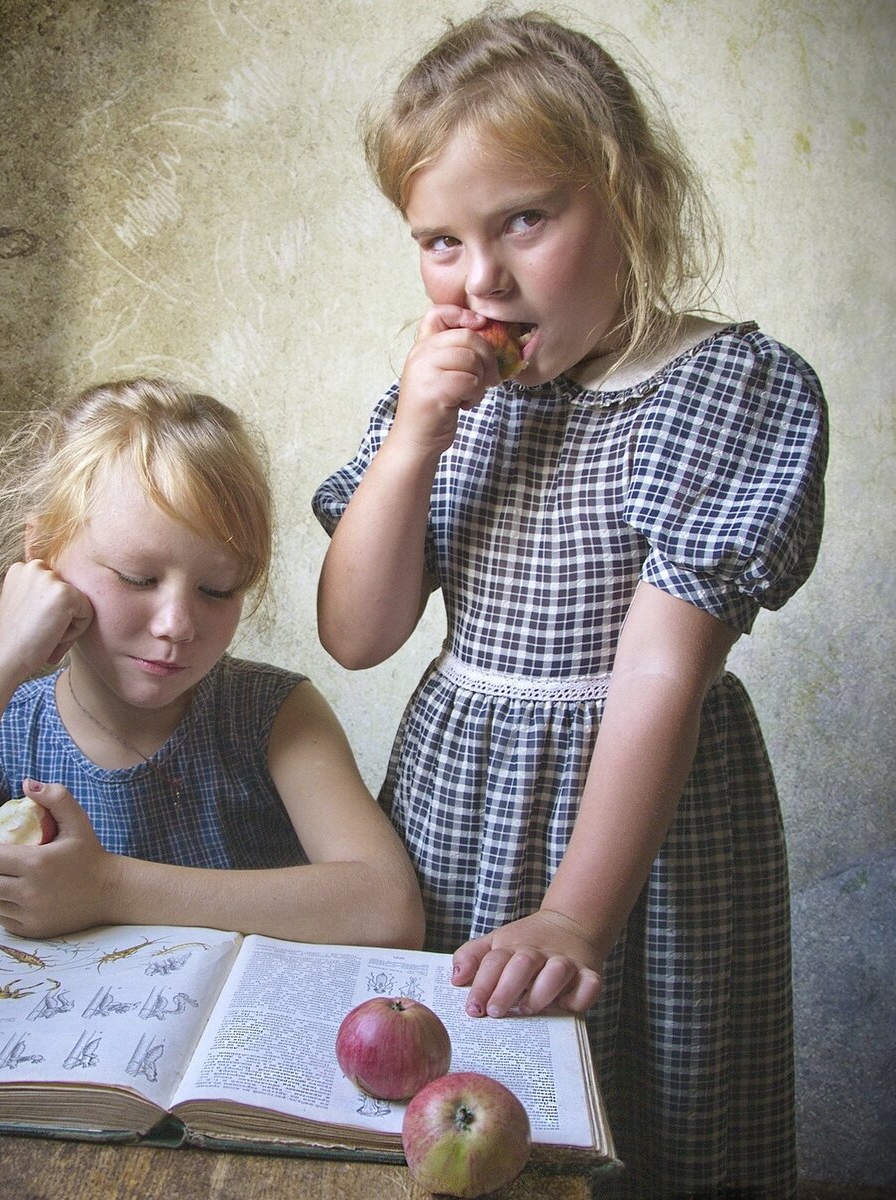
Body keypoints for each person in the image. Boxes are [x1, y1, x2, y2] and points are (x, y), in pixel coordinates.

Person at [313, 8, 826, 1197]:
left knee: (656, 1115)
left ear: (632, 197)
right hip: (459, 801)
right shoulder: (442, 401)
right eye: (437, 241)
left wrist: (576, 919)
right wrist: (411, 445)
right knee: (456, 1113)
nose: (479, 277)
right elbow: (358, 634)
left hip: (637, 831)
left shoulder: (721, 388)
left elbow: (660, 673)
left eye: (524, 221)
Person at [0, 377, 424, 957]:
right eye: (138, 579)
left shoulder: (271, 713)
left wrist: (110, 887)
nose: (177, 624)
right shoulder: (9, 728)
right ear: (43, 557)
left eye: (217, 589)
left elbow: (388, 910)